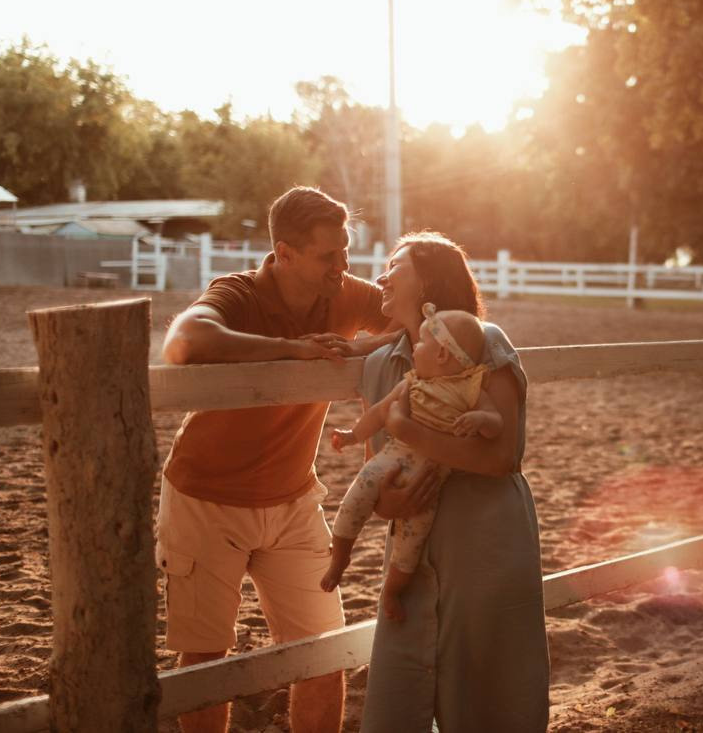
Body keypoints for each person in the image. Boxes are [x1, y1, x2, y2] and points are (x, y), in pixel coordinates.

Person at [156, 186, 439, 733]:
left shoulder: (343, 292)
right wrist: (290, 348)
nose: (343, 266)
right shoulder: (238, 293)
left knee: (322, 653)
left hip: (292, 499)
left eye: (346, 251)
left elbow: (416, 333)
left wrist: (362, 344)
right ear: (284, 254)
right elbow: (184, 342)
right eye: (327, 255)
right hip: (204, 497)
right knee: (207, 660)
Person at [357, 231, 550, 733]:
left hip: (483, 547)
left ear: (430, 281)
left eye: (395, 265)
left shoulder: (485, 342)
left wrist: (408, 430)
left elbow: (500, 457)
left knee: (492, 708)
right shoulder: (377, 367)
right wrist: (387, 504)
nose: (380, 275)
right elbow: (376, 467)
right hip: (411, 558)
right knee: (395, 708)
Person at [321, 303, 502, 625]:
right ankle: (340, 559)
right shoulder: (411, 383)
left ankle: (391, 591)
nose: (414, 348)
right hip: (391, 460)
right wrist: (353, 435)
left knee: (410, 546)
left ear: (442, 354)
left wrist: (481, 419)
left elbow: (496, 422)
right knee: (353, 502)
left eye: (420, 343)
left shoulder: (472, 388)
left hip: (428, 481)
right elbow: (379, 413)